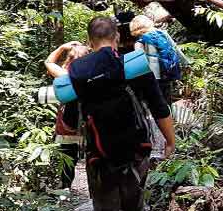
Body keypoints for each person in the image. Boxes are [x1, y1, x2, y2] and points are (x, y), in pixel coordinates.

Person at [68, 16, 175, 211]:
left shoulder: (77, 69)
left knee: (104, 204)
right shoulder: (134, 65)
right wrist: (170, 141)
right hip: (136, 149)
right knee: (134, 203)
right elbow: (158, 106)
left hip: (98, 154)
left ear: (89, 39)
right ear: (116, 36)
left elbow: (70, 110)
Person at [44, 41, 90, 189]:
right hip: (89, 123)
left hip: (68, 125)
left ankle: (65, 187)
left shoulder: (64, 74)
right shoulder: (93, 72)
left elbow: (48, 62)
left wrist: (62, 47)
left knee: (68, 157)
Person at [129, 15, 182, 106]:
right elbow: (176, 50)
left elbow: (138, 67)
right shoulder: (162, 33)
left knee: (157, 105)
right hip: (167, 75)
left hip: (154, 79)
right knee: (167, 102)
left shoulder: (139, 43)